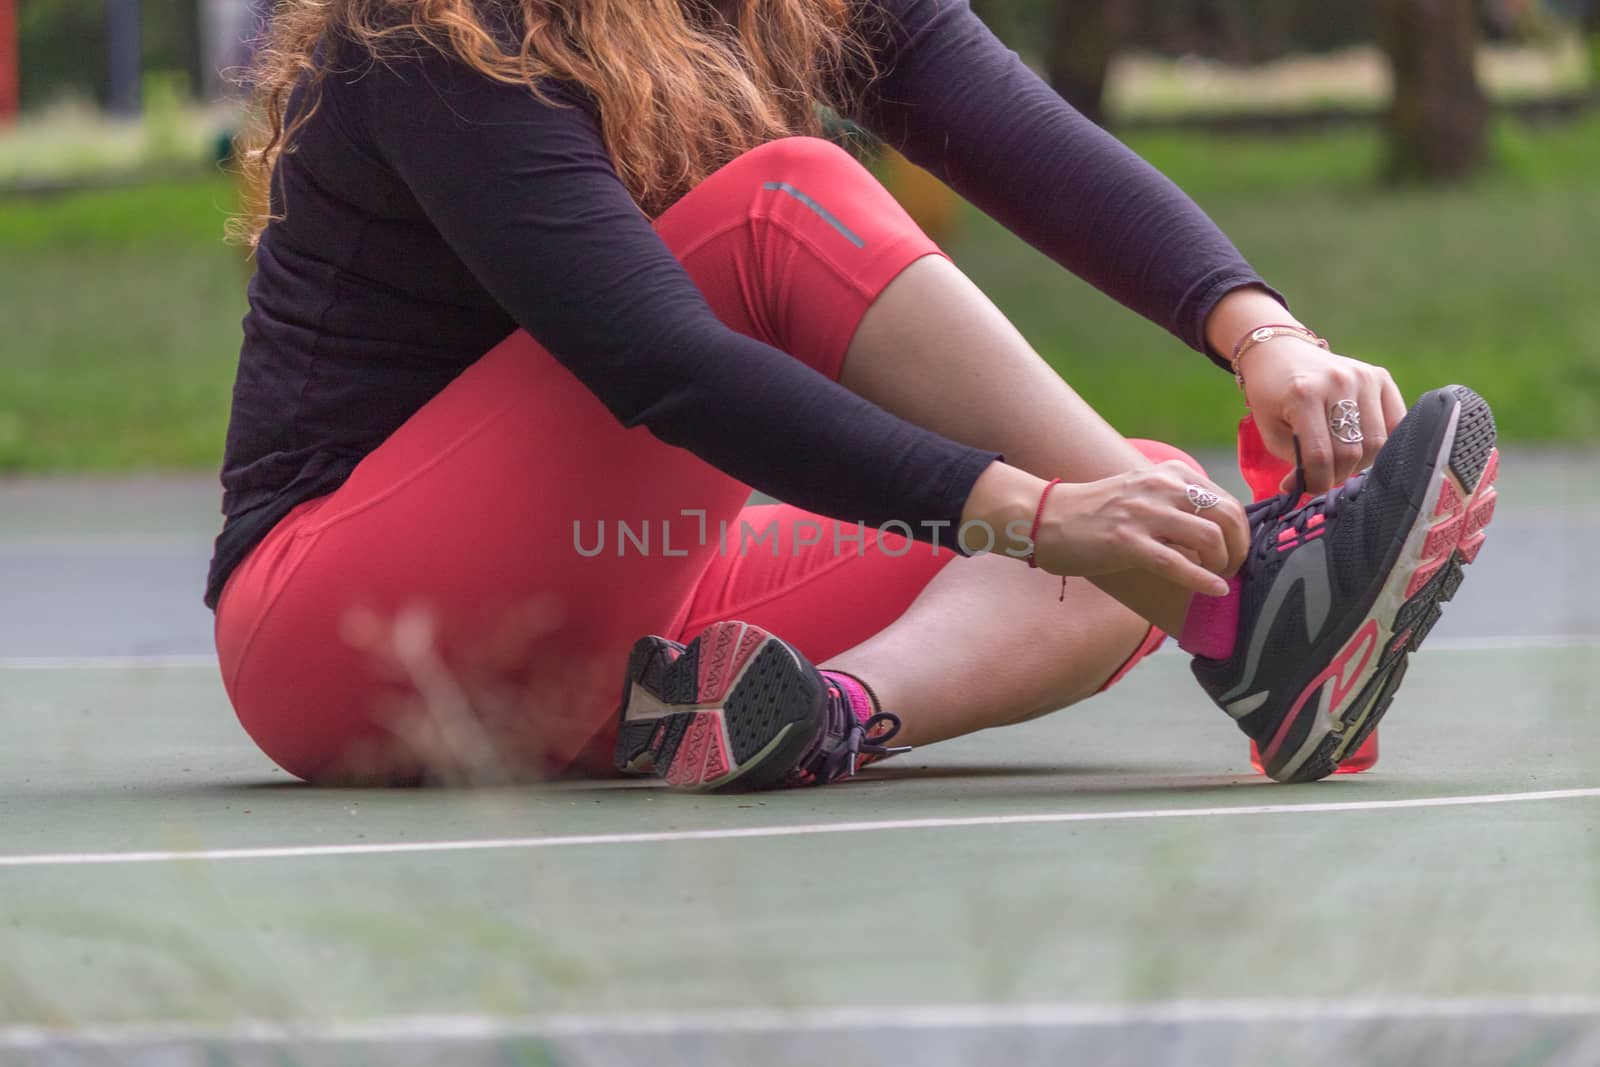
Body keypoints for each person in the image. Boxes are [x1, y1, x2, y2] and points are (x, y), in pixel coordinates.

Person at [212, 0, 1499, 790]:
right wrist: (1032, 514)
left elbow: (1016, 133)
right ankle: (1244, 613)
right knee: (788, 203)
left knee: (1141, 499)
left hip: (617, 625)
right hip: (342, 628)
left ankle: (812, 716)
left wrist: (1257, 329)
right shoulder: (433, 31)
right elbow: (664, 364)